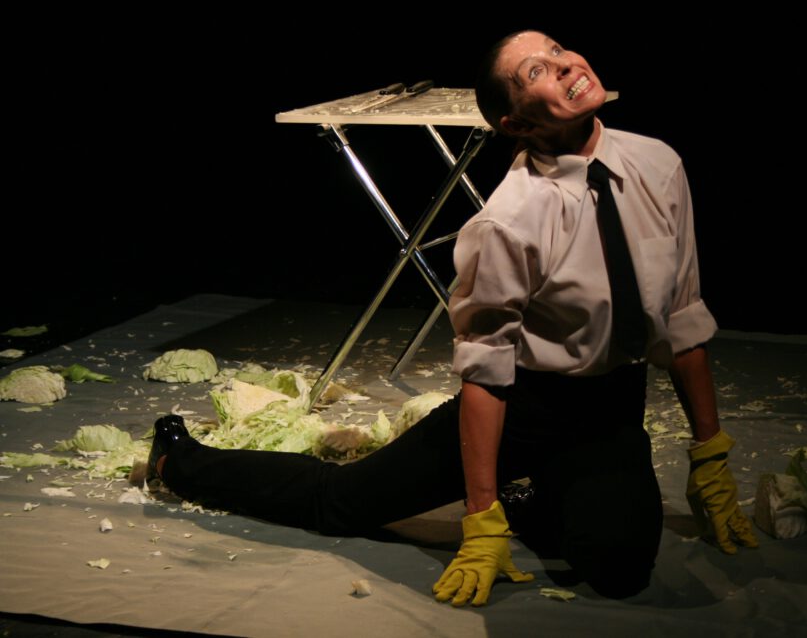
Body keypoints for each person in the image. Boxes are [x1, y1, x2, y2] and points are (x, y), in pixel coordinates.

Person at [147, 30, 757, 609]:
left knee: (619, 570)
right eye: (537, 71)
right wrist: (481, 514)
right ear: (516, 124)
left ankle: (533, 492)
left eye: (557, 49)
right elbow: (487, 372)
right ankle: (180, 458)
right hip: (523, 407)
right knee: (342, 503)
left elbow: (681, 317)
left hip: (611, 407)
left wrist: (710, 452)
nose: (566, 64)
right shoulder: (509, 222)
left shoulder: (658, 164)